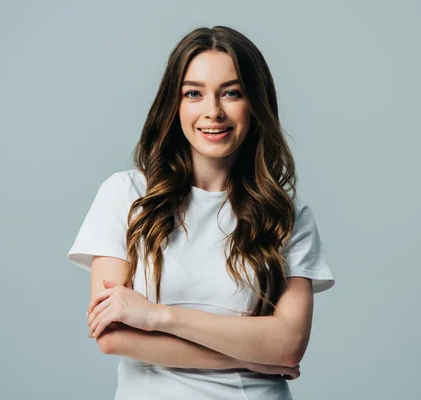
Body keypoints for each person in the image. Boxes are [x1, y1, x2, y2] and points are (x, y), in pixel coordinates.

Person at [67, 25, 335, 400]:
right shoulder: (126, 196)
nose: (213, 111)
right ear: (174, 105)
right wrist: (256, 358)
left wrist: (158, 317)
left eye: (231, 93)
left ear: (254, 104)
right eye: (194, 93)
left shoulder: (286, 216)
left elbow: (288, 344)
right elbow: (112, 336)